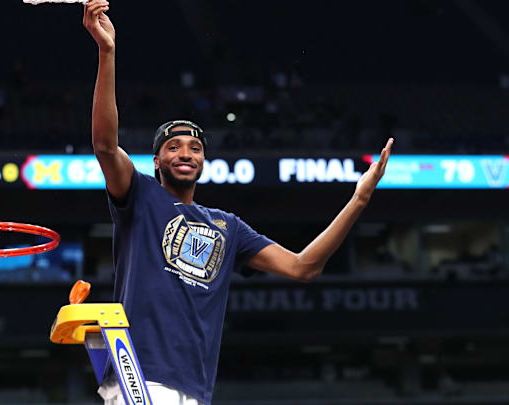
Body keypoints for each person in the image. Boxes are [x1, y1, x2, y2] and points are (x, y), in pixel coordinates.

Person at [82, 1, 394, 404]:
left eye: (195, 147)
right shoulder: (139, 195)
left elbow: (303, 267)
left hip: (194, 391)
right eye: (173, 146)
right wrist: (107, 52)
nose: (185, 153)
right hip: (138, 379)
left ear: (204, 161)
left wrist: (360, 197)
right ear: (156, 161)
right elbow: (106, 145)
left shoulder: (228, 226)